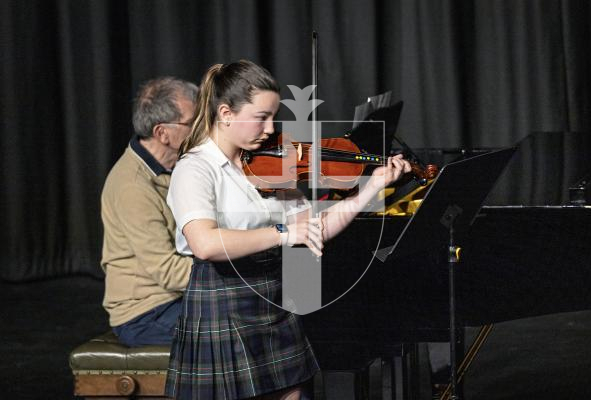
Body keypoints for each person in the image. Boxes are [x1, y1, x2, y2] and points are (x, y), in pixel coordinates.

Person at [165, 60, 411, 400]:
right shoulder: (196, 168)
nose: (269, 129)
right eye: (261, 117)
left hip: (273, 298)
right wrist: (283, 233)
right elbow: (204, 243)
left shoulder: (270, 164)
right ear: (225, 113)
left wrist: (370, 189)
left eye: (273, 117)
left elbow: (313, 228)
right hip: (223, 300)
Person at [100, 77, 198, 347]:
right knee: (242, 332)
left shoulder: (177, 166)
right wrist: (241, 272)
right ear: (162, 133)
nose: (204, 126)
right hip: (146, 314)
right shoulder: (133, 187)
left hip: (177, 298)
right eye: (194, 121)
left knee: (270, 316)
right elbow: (168, 271)